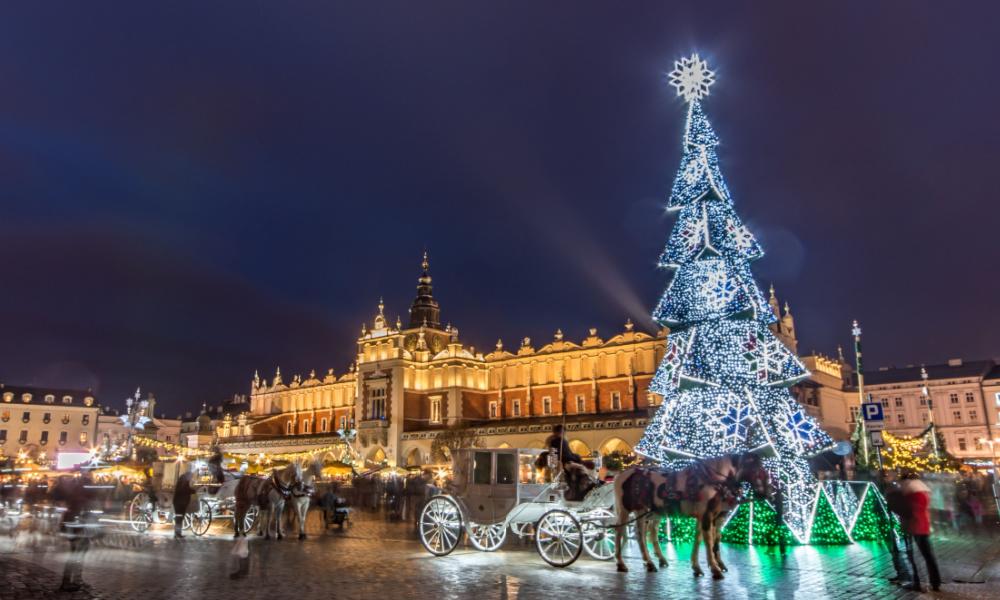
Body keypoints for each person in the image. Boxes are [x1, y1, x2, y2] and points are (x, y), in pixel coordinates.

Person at [50, 471, 98, 592]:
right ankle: (67, 581)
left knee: (79, 552)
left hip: (75, 523)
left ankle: (76, 579)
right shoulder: (82, 492)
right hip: (77, 525)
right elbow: (81, 508)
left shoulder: (77, 490)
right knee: (76, 553)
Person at [898, 471, 942, 592]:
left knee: (912, 556)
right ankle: (935, 582)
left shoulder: (911, 492)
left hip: (913, 526)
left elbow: (908, 510)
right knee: (928, 555)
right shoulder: (922, 491)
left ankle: (916, 582)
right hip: (923, 526)